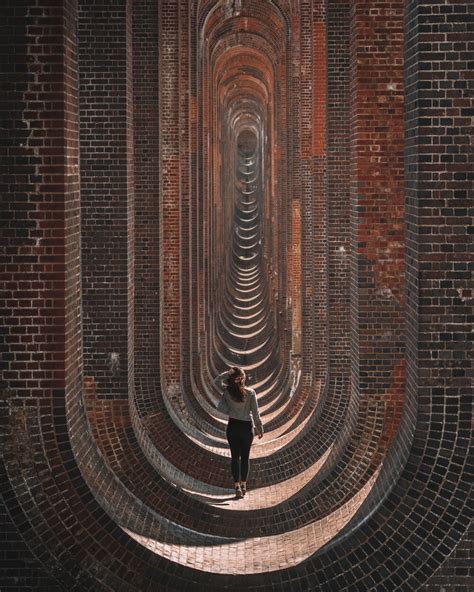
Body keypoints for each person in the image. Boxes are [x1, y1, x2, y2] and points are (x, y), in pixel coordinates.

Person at [213, 366, 264, 499]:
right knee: (245, 458)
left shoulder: (228, 392)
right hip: (247, 428)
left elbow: (215, 382)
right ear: (243, 379)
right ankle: (244, 485)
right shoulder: (251, 392)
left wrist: (226, 373)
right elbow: (255, 412)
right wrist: (259, 428)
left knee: (235, 457)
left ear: (232, 379)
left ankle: (236, 486)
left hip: (233, 427)